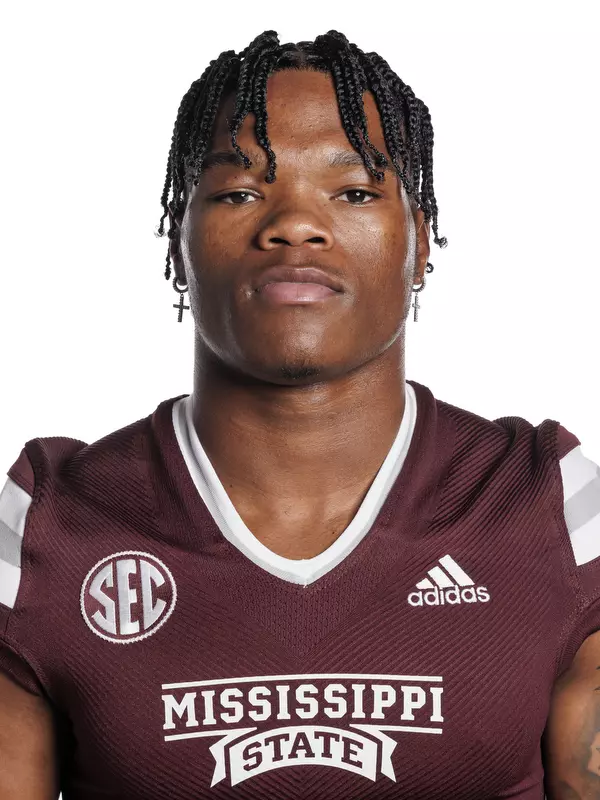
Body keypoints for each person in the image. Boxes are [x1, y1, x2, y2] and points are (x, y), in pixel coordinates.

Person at [0, 28, 598, 800]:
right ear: (180, 241)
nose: (294, 225)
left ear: (419, 242)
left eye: (352, 192)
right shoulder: (50, 524)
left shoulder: (546, 506)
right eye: (240, 192)